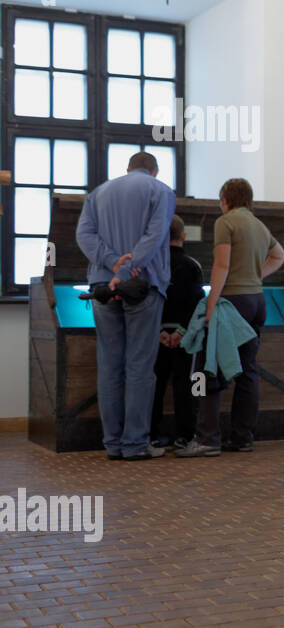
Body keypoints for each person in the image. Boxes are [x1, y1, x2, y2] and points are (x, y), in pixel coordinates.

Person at [75, 151, 176, 461]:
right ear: (154, 170)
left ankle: (112, 444)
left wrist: (110, 265)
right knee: (140, 368)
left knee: (109, 368)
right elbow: (156, 236)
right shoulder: (161, 191)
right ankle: (134, 444)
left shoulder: (98, 193)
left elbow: (84, 234)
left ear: (128, 168)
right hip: (142, 285)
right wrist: (126, 269)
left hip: (102, 288)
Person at [176, 179, 284, 457]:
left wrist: (211, 305)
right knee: (248, 371)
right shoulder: (259, 226)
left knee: (209, 367)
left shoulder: (226, 222)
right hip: (257, 301)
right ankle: (242, 438)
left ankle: (207, 439)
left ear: (225, 199)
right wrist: (255, 275)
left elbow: (222, 265)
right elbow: (279, 255)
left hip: (232, 301)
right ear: (248, 199)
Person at [151, 215, 206, 450]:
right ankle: (185, 436)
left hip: (157, 333)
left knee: (155, 384)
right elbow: (197, 302)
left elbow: (150, 300)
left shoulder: (153, 263)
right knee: (187, 384)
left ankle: (152, 434)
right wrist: (182, 331)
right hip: (185, 336)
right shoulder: (193, 265)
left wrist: (160, 331)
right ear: (183, 237)